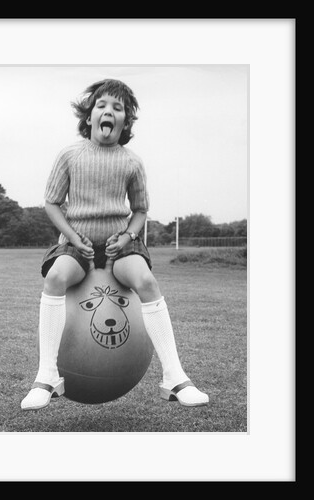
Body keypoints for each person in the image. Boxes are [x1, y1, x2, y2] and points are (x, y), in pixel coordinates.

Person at [21, 78, 209, 410]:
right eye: (102, 106)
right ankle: (47, 375)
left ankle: (175, 377)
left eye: (118, 108)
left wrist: (127, 235)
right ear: (89, 116)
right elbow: (51, 203)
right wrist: (73, 235)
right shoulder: (68, 155)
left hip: (117, 245)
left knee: (146, 280)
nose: (109, 112)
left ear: (125, 121)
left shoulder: (132, 162)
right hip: (76, 243)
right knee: (54, 279)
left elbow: (140, 210)